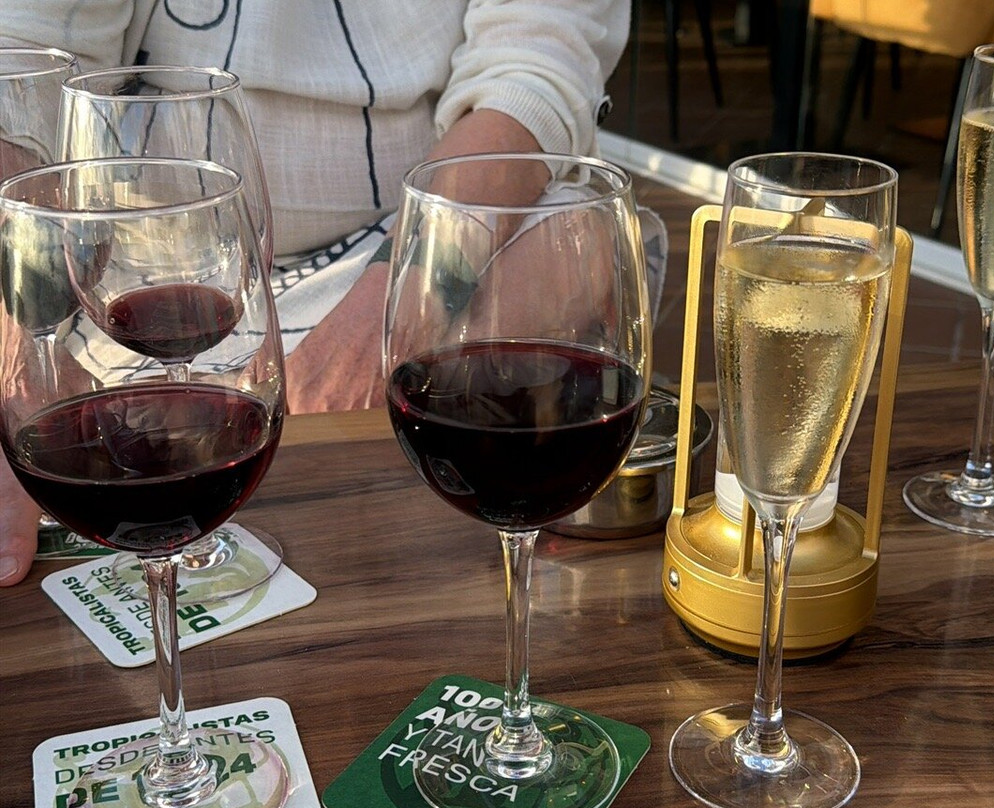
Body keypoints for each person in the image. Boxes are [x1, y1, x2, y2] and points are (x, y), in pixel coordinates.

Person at [0, 0, 637, 585]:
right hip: (134, 262)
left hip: (413, 239)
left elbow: (530, 70)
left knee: (580, 239)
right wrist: (17, 340)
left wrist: (390, 313)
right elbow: (23, 75)